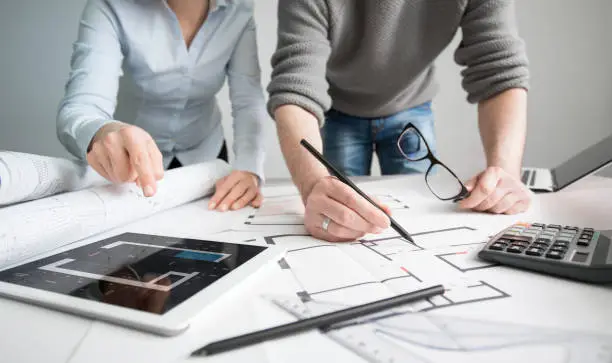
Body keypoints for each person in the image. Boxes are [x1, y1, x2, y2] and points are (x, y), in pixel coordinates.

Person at [267, 0, 533, 242]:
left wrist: (506, 174)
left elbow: (500, 69)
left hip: (411, 106)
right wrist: (312, 186)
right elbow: (295, 87)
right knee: (339, 217)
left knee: (421, 218)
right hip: (338, 111)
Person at [57, 0, 267, 212]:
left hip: (207, 157)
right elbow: (82, 106)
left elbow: (248, 100)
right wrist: (101, 132)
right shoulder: (109, 6)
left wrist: (249, 168)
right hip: (131, 165)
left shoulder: (239, 10)